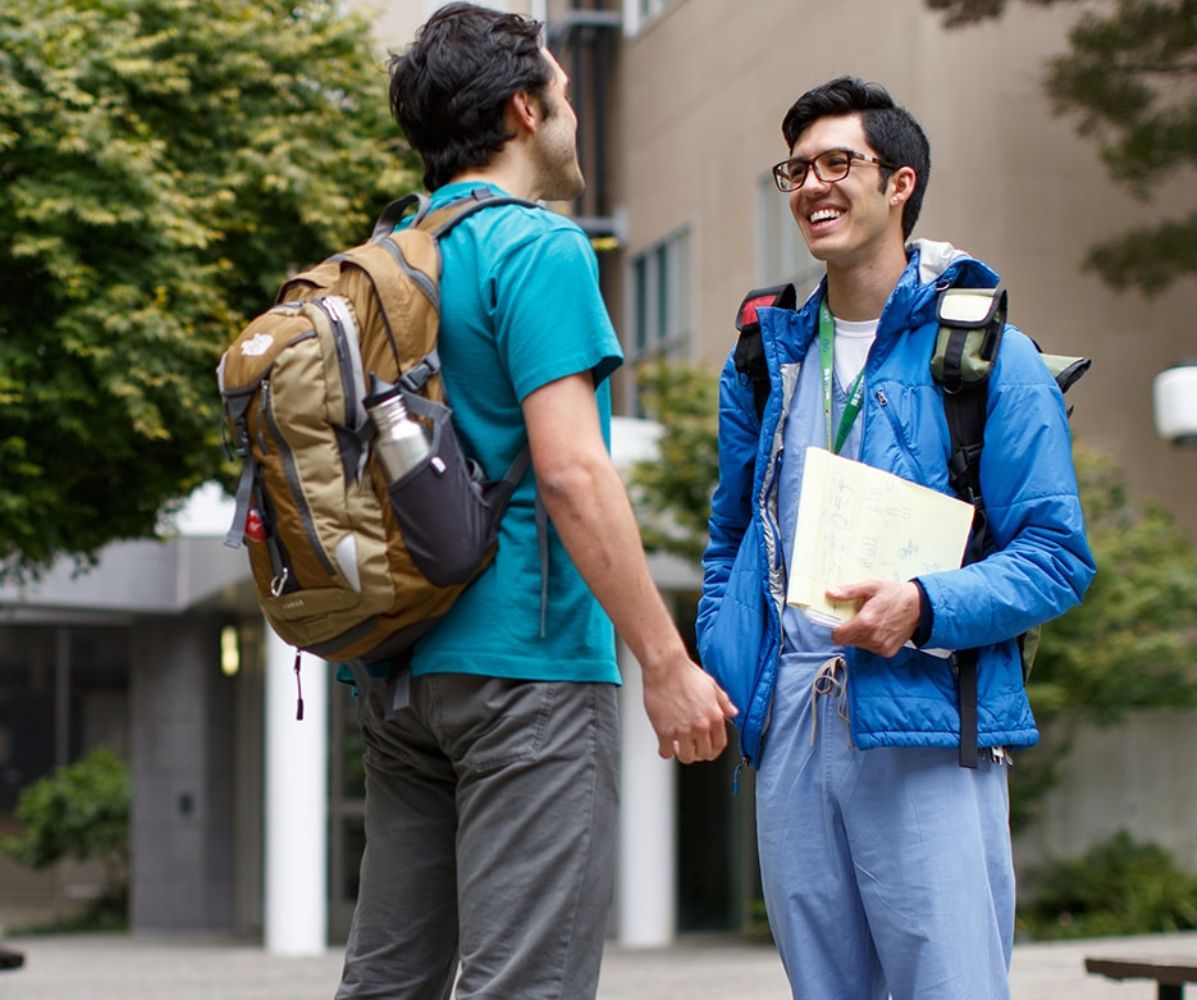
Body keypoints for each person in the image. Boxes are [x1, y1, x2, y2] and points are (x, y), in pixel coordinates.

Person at [337, 5, 735, 998]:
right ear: (524, 111)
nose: (570, 115)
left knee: (390, 976)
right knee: (527, 982)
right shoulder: (538, 248)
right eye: (559, 94)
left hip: (397, 667)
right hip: (528, 666)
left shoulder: (385, 255)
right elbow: (571, 473)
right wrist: (663, 658)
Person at [697, 76, 1095, 999]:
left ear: (901, 183)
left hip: (924, 707)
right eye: (795, 169)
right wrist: (723, 655)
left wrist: (923, 606)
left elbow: (1056, 555)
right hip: (792, 712)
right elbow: (729, 538)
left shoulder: (992, 356)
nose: (812, 186)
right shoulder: (766, 360)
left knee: (949, 985)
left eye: (839, 163)